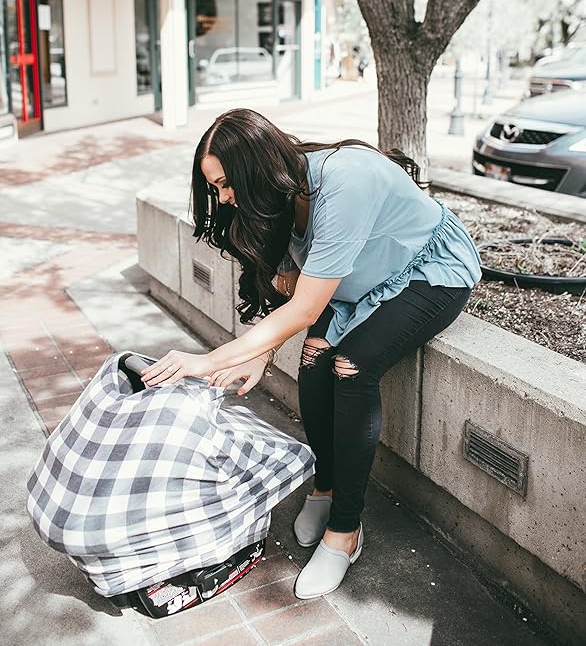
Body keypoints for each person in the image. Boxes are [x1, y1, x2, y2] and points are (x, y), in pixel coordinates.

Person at [141, 108, 482, 599]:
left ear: (255, 167)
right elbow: (293, 292)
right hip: (356, 282)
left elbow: (302, 306)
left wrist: (208, 359)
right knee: (314, 359)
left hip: (426, 270)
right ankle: (324, 486)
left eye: (224, 184)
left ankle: (345, 532)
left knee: (351, 366)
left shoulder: (343, 182)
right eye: (215, 188)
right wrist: (262, 348)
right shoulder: (278, 195)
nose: (223, 197)